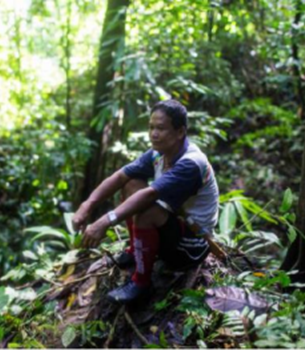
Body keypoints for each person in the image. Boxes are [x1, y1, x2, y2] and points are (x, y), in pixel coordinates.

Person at [72, 99, 219, 304]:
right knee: (131, 184)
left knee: (146, 210)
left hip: (192, 244)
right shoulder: (158, 154)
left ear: (180, 132)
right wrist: (87, 205)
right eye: (151, 127)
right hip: (173, 227)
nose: (153, 134)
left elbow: (149, 195)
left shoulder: (191, 163)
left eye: (161, 128)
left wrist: (105, 221)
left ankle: (142, 284)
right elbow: (121, 176)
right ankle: (135, 251)